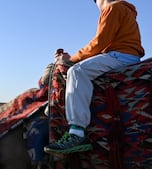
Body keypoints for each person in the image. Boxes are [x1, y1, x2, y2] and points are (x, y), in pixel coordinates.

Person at [44, 0, 144, 154]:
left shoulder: (112, 8)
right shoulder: (123, 9)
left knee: (76, 72)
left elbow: (98, 43)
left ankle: (77, 133)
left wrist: (70, 60)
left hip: (120, 55)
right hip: (125, 54)